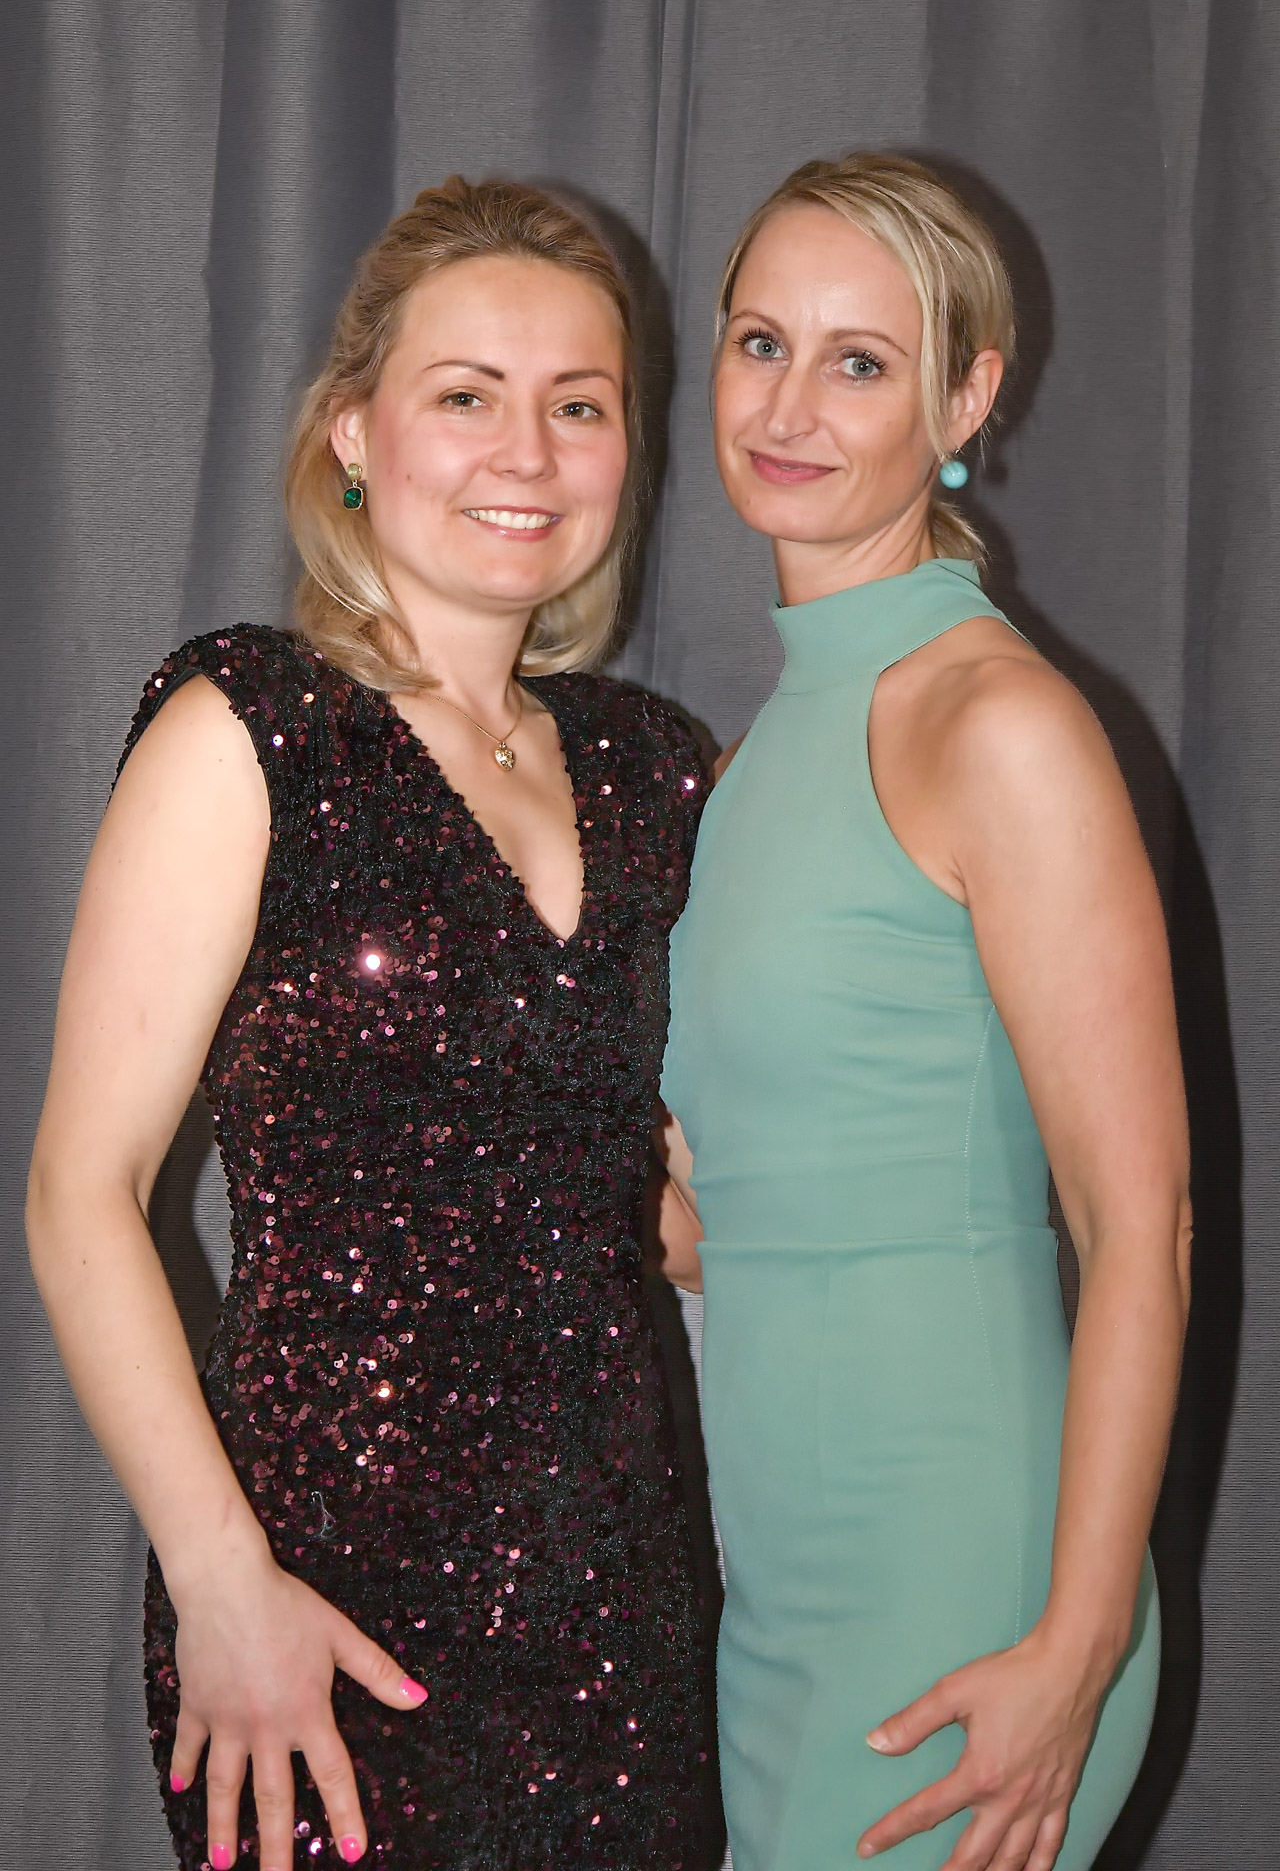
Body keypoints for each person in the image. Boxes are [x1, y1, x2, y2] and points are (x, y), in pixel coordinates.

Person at [27, 176, 714, 1871]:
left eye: (580, 406)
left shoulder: (658, 772)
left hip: (622, 1605)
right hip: (317, 1613)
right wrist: (221, 1584)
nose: (528, 452)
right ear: (353, 433)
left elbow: (685, 1204)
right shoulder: (252, 728)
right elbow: (78, 1196)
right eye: (466, 395)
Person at [657, 154, 1190, 1871]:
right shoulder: (747, 765)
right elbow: (726, 1228)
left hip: (969, 1587)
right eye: (760, 343)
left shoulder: (996, 725)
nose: (788, 407)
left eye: (860, 363)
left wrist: (1078, 1649)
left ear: (963, 400)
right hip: (780, 1587)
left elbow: (1143, 1224)